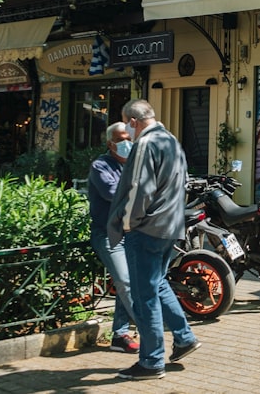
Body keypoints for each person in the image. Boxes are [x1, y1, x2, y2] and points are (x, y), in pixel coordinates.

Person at [107, 99, 200, 380]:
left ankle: (151, 361)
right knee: (157, 284)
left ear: (133, 122)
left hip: (146, 229)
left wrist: (127, 225)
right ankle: (184, 338)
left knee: (144, 296)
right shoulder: (172, 140)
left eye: (127, 124)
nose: (127, 131)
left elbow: (139, 190)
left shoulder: (145, 144)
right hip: (170, 226)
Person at [88, 122, 139, 354]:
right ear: (110, 143)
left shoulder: (135, 165)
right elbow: (111, 193)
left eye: (129, 138)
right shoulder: (100, 165)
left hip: (133, 232)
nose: (126, 143)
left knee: (130, 282)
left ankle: (119, 334)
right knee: (125, 281)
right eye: (121, 139)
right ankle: (148, 326)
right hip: (108, 235)